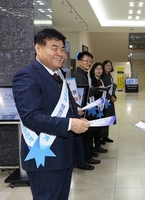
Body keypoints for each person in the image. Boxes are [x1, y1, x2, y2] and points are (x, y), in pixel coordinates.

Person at [12, 28, 90, 200]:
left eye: (63, 49)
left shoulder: (58, 75)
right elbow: (30, 117)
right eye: (54, 48)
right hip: (45, 157)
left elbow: (55, 105)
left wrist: (74, 112)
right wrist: (70, 124)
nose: (60, 53)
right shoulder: (27, 76)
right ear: (38, 48)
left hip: (64, 155)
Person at [72, 51, 101, 170]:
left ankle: (88, 156)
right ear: (80, 62)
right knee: (85, 136)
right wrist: (98, 89)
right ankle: (82, 161)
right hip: (82, 109)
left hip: (88, 107)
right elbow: (85, 91)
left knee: (89, 134)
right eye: (86, 61)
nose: (89, 63)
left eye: (91, 61)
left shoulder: (85, 73)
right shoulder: (78, 75)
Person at [87, 62, 108, 153]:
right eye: (97, 69)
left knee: (99, 127)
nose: (99, 71)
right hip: (93, 107)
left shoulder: (101, 79)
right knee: (93, 128)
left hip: (100, 106)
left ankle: (98, 145)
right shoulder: (90, 79)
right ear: (93, 70)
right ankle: (92, 148)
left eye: (101, 69)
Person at [101, 60, 117, 143]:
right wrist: (110, 97)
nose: (108, 67)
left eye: (110, 65)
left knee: (108, 117)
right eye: (107, 65)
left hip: (110, 100)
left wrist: (114, 96)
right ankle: (101, 137)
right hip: (105, 100)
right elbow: (104, 90)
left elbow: (111, 88)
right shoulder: (102, 76)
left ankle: (105, 136)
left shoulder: (109, 75)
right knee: (104, 117)